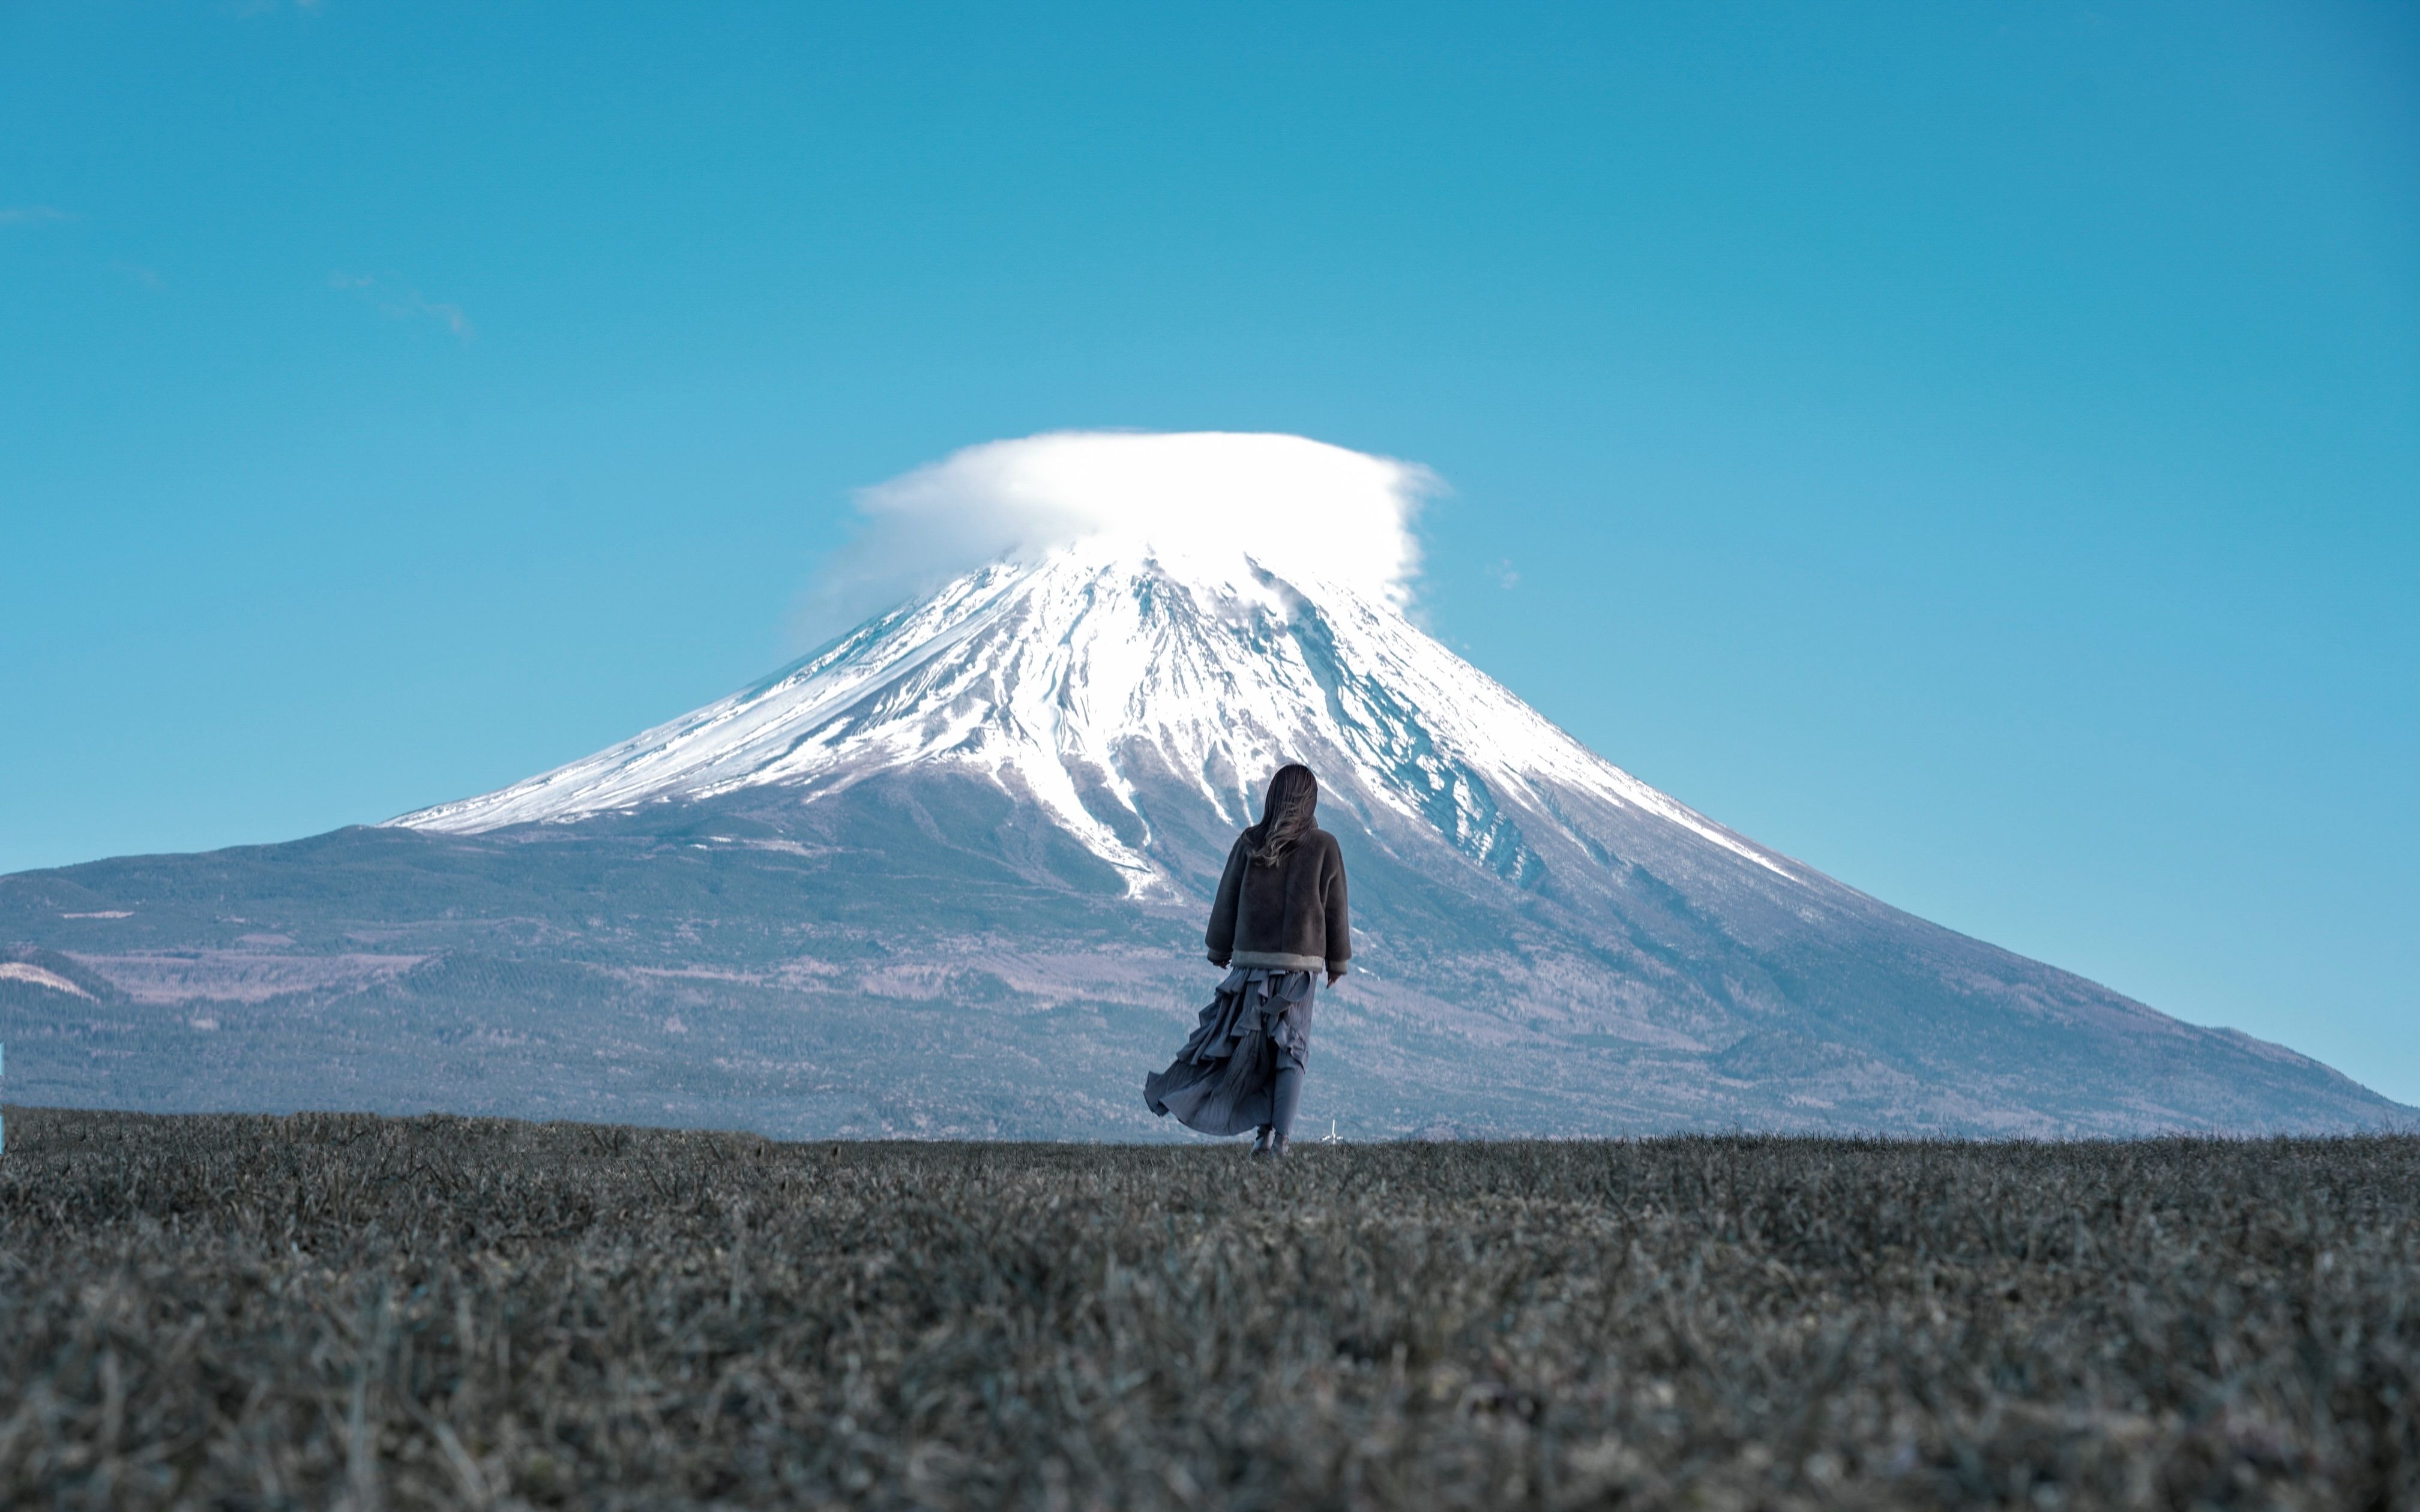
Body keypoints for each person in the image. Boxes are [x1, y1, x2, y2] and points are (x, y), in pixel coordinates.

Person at [1143, 763, 1351, 1157]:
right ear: (1311, 800)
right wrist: (1337, 962)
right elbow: (1336, 908)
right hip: (1298, 967)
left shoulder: (1249, 842)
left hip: (1250, 965)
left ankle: (1262, 1137)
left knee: (1258, 1051)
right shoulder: (1325, 845)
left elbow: (1227, 898)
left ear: (1273, 796)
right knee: (1292, 1050)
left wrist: (1219, 950)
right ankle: (1281, 1143)